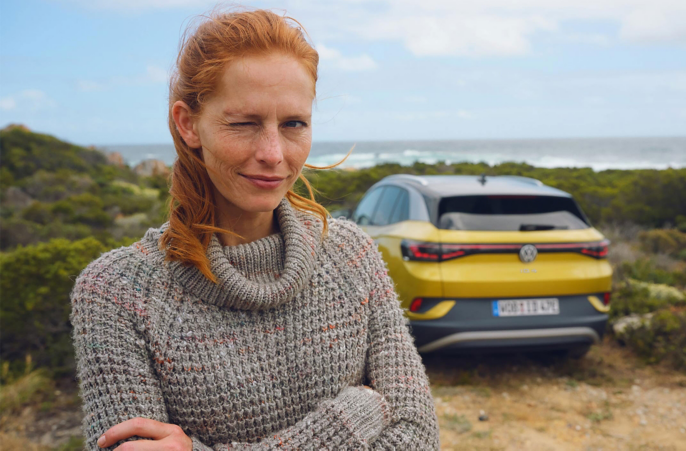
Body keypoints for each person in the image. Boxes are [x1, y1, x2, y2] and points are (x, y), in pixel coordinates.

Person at [69, 8, 440, 450]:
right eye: (244, 123)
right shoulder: (116, 293)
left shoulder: (350, 255)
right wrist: (348, 420)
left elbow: (418, 437)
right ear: (188, 124)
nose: (272, 153)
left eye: (293, 124)